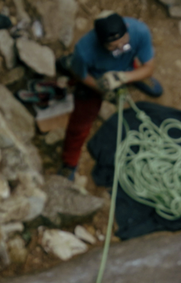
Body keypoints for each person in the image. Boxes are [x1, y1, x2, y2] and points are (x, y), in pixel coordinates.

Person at [59, 13, 163, 180]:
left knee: (139, 71)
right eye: (114, 47)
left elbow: (149, 67)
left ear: (127, 29)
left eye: (124, 42)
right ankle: (69, 161)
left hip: (125, 69)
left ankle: (136, 77)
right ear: (100, 43)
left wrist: (124, 78)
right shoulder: (84, 51)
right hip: (96, 77)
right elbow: (81, 75)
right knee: (80, 123)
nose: (121, 47)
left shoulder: (139, 31)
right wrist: (101, 88)